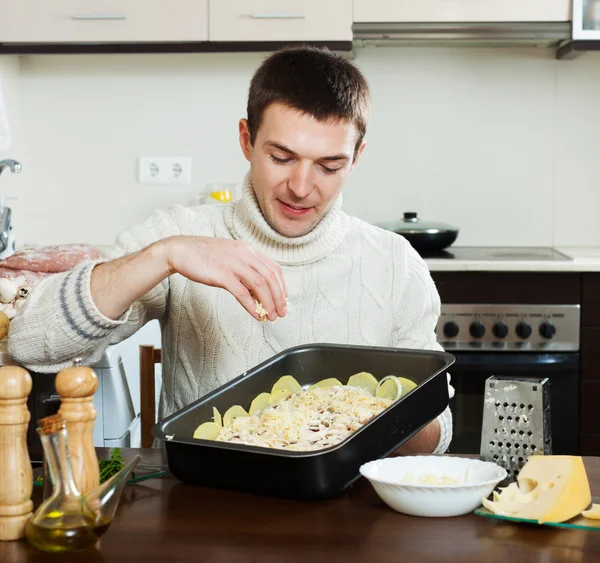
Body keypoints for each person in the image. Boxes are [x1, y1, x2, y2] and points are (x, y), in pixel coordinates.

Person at [9, 46, 452, 454]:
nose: (300, 188)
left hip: (350, 514)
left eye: (328, 166)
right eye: (281, 157)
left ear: (356, 158)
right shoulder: (180, 233)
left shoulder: (395, 265)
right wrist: (162, 256)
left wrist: (389, 419)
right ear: (246, 140)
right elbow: (30, 344)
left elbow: (437, 434)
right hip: (206, 506)